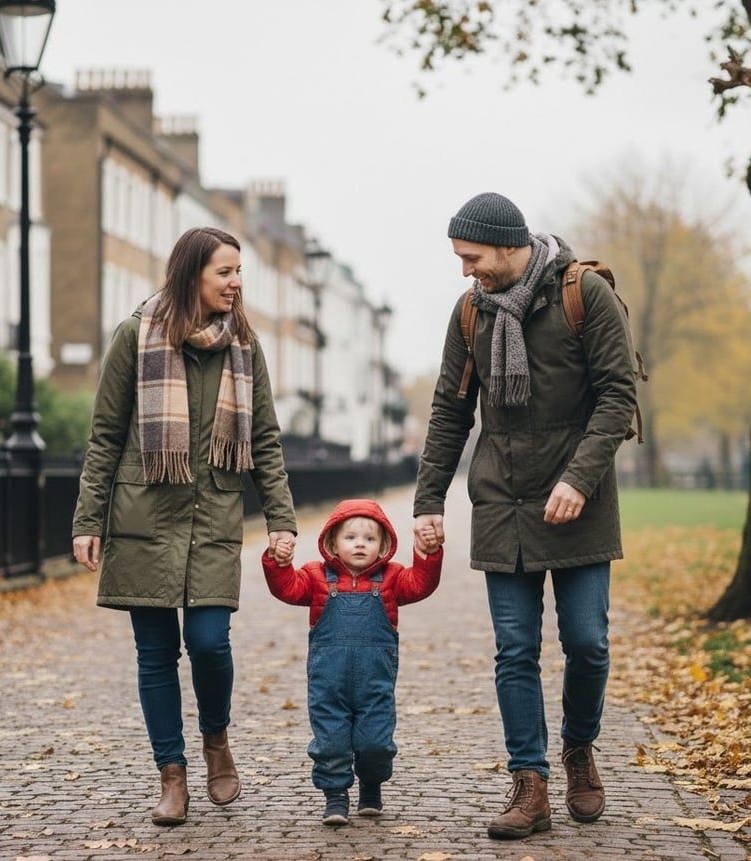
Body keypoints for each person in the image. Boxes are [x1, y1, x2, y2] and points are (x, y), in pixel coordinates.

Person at [413, 193, 637, 839]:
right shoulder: (469, 314)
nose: (465, 271)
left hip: (578, 503)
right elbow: (450, 412)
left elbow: (617, 395)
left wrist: (578, 477)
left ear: (508, 246)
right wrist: (429, 501)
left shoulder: (583, 294)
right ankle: (529, 782)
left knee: (588, 644)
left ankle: (577, 747)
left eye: (471, 257)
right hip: (503, 502)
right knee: (515, 650)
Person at [72, 226, 297, 827]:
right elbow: (105, 437)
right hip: (144, 514)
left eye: (239, 271)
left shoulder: (243, 346)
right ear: (191, 272)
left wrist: (281, 519)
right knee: (154, 654)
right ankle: (171, 775)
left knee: (208, 643)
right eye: (225, 271)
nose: (236, 283)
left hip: (214, 516)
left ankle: (216, 738)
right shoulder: (134, 336)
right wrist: (87, 519)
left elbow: (267, 442)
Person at [262, 499, 442, 826]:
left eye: (370, 539)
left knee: (375, 742)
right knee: (331, 741)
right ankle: (335, 795)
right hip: (328, 683)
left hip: (375, 684)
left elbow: (421, 584)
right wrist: (279, 563)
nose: (360, 543)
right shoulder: (316, 578)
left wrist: (426, 554)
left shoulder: (392, 578)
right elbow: (287, 588)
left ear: (383, 545)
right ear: (332, 542)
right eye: (351, 537)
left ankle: (371, 785)